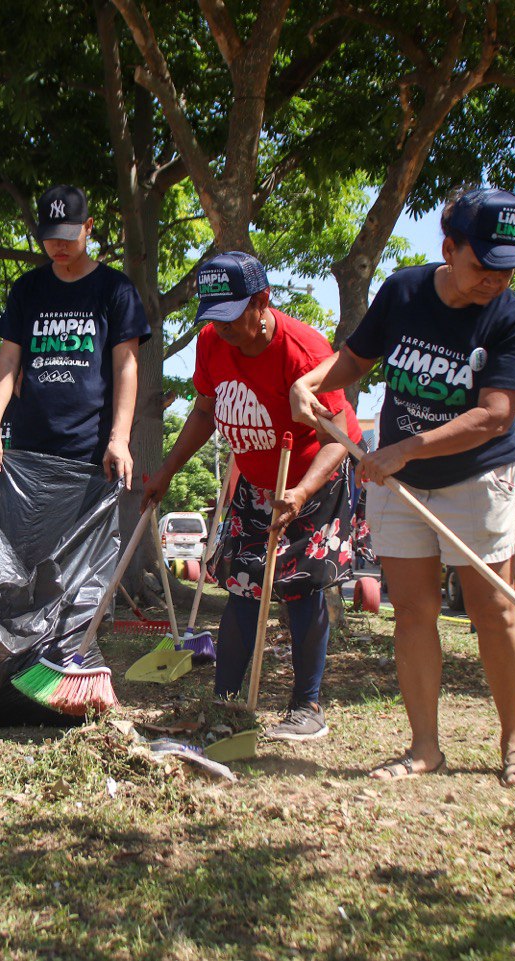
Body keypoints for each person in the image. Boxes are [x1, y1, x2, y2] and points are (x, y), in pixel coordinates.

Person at [291, 186, 515, 787]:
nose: (497, 280)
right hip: (401, 486)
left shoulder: (513, 319)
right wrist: (313, 379)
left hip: (479, 478)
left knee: (494, 610)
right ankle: (425, 747)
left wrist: (402, 449)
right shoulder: (403, 290)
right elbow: (355, 357)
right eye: (485, 265)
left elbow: (495, 415)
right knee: (413, 612)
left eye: (509, 268)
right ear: (449, 249)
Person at [142, 252, 362, 741]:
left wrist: (302, 491)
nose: (222, 328)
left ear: (262, 301)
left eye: (231, 316)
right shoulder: (211, 343)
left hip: (311, 480)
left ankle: (307, 707)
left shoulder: (303, 350)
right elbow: (204, 411)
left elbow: (339, 433)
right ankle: (224, 704)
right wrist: (166, 472)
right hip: (255, 483)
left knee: (300, 588)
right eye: (212, 317)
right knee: (242, 588)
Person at [0, 185, 150, 485]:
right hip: (29, 450)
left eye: (68, 234)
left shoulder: (116, 289)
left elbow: (126, 366)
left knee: (91, 535)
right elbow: (7, 359)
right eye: (51, 236)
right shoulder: (26, 289)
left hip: (92, 453)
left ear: (88, 227)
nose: (59, 245)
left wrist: (120, 439)